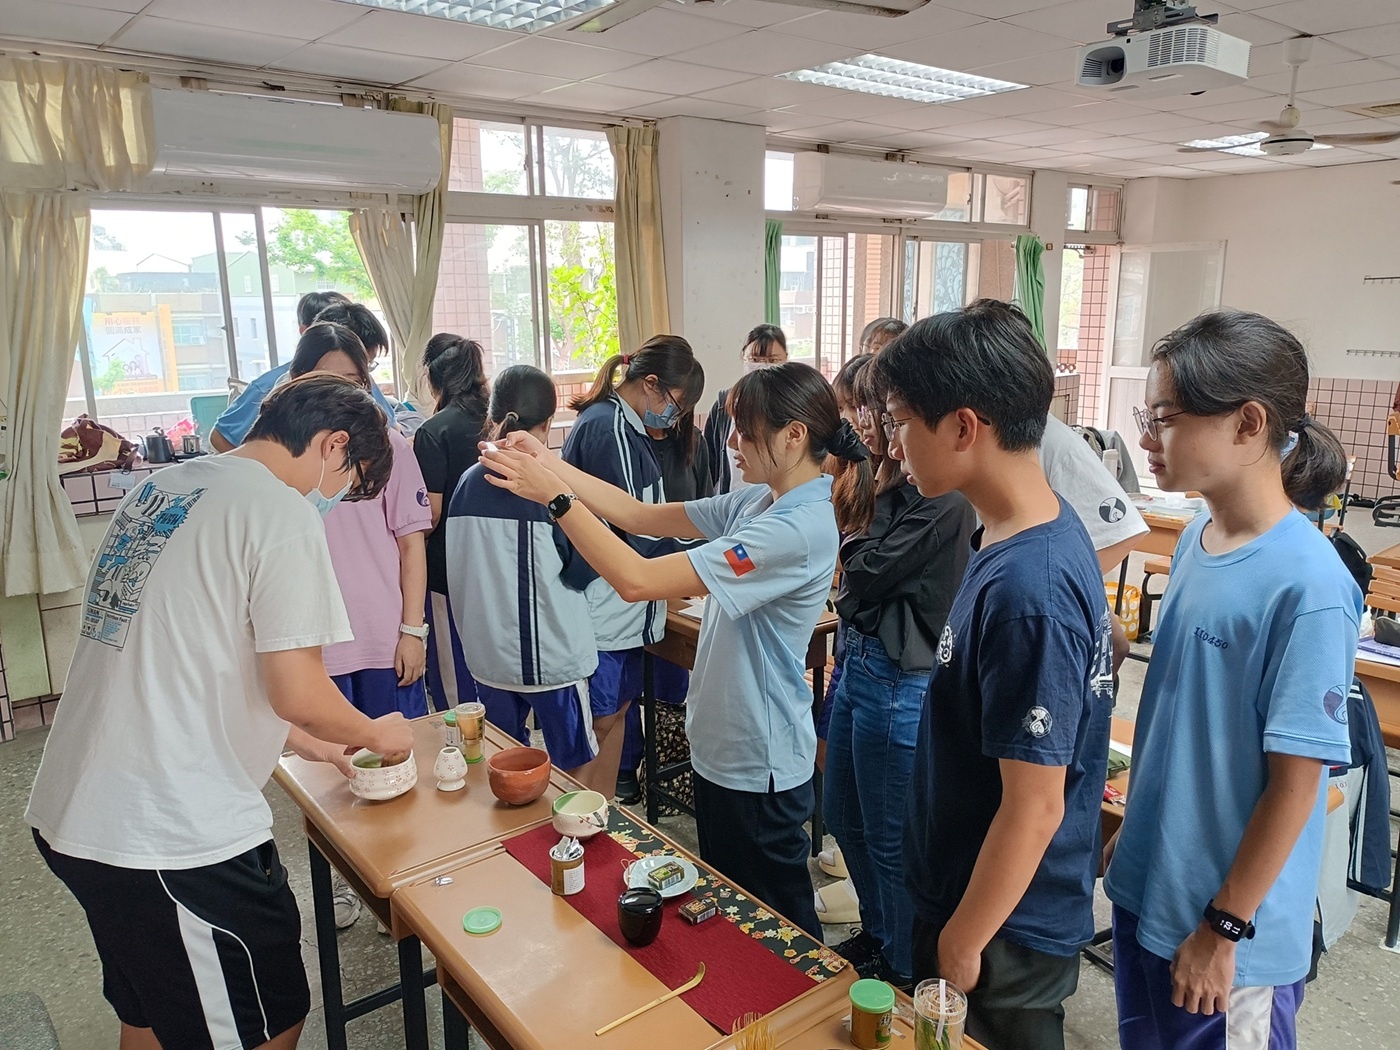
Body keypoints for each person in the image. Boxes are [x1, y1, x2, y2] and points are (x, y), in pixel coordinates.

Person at [26, 373, 410, 1050]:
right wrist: (373, 730)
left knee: (152, 1012)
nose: (333, 502)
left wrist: (309, 743)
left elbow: (182, 653)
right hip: (168, 836)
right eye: (346, 486)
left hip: (74, 812)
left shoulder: (165, 487)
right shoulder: (281, 512)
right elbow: (298, 687)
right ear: (333, 445)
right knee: (270, 1020)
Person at [482, 361, 869, 937]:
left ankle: (798, 1023)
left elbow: (636, 578)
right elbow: (638, 515)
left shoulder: (797, 527)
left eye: (745, 429)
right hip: (727, 750)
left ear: (795, 435)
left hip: (757, 762)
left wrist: (558, 499)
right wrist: (548, 464)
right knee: (738, 919)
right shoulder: (758, 503)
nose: (731, 442)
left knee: (779, 931)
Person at [1103, 311, 1358, 1050]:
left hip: (1226, 932)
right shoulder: (1196, 538)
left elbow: (1295, 786)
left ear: (1249, 423)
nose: (1148, 438)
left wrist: (1223, 926)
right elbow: (1184, 721)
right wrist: (1141, 830)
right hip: (1152, 885)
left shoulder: (1307, 584)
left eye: (1165, 418)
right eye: (1145, 417)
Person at [875, 300, 1113, 1050]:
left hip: (1004, 925)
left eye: (901, 419)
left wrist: (962, 942)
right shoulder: (1016, 530)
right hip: (976, 895)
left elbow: (1035, 807)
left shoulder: (1028, 590)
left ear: (964, 428)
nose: (893, 441)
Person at [822, 353, 977, 989]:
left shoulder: (946, 500)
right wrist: (859, 560)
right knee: (841, 814)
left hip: (897, 678)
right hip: (859, 663)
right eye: (868, 412)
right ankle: (883, 932)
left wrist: (858, 562)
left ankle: (907, 966)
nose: (871, 426)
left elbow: (862, 571)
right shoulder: (889, 484)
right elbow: (857, 565)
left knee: (889, 837)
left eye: (884, 414)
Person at [560, 336, 705, 801]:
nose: (676, 418)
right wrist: (700, 555)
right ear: (650, 384)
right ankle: (573, 821)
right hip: (603, 602)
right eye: (677, 405)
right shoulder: (609, 429)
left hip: (626, 605)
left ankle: (601, 819)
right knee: (598, 723)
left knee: (618, 713)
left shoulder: (633, 430)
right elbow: (636, 524)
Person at [445, 365, 602, 782]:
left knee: (502, 767)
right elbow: (586, 566)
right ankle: (571, 840)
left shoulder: (466, 482)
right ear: (548, 425)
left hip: (487, 655)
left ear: (493, 414)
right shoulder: (545, 486)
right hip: (551, 659)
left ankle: (515, 843)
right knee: (574, 767)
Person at [615, 403, 715, 804]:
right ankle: (628, 764)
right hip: (639, 573)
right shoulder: (627, 440)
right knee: (623, 685)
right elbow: (637, 517)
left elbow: (705, 504)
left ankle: (666, 762)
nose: (732, 442)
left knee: (671, 678)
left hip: (677, 578)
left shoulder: (693, 443)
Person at [412, 332, 490, 711]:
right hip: (501, 560)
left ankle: (462, 742)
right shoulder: (499, 419)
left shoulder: (435, 430)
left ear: (434, 379)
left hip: (450, 568)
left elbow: (430, 515)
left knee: (453, 667)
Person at [209, 295, 395, 450]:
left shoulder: (361, 382)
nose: (345, 387)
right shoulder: (270, 390)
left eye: (366, 366)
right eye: (331, 377)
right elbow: (220, 436)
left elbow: (392, 430)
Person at [703, 323, 788, 495]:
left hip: (775, 506)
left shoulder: (791, 406)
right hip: (730, 507)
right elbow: (709, 462)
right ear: (743, 357)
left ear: (786, 359)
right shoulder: (723, 404)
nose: (763, 366)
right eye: (755, 360)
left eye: (772, 361)